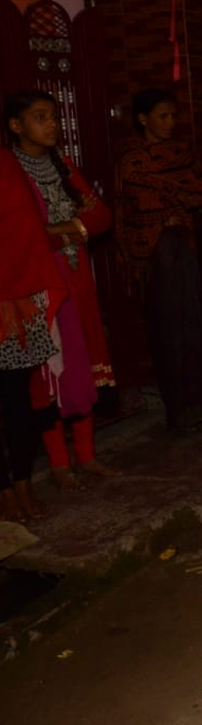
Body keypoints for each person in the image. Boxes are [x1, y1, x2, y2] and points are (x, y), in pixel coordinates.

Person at [4, 91, 119, 494]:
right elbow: (21, 234)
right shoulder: (11, 172)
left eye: (53, 116)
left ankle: (86, 455)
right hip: (36, 284)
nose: (51, 124)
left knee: (83, 359)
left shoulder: (63, 165)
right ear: (16, 126)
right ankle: (58, 465)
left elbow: (102, 217)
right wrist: (69, 229)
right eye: (40, 117)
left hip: (77, 277)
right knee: (48, 373)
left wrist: (65, 230)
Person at [116, 89, 202, 434]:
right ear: (143, 119)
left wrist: (179, 210)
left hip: (193, 251)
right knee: (173, 330)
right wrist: (169, 215)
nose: (170, 122)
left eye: (173, 115)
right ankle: (186, 413)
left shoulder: (182, 152)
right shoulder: (133, 160)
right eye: (163, 116)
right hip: (161, 257)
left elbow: (200, 189)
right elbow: (136, 208)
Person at [0, 145, 66, 521]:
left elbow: (23, 227)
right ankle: (4, 491)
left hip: (13, 301)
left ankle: (23, 483)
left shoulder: (5, 162)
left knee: (16, 401)